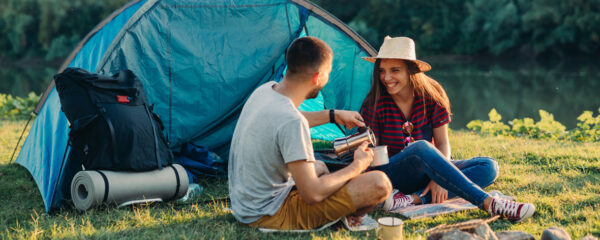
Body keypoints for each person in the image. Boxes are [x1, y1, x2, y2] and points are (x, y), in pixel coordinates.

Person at [359, 36, 535, 222]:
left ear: (411, 71)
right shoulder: (375, 103)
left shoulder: (432, 96)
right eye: (382, 71)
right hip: (391, 175)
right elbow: (373, 158)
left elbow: (443, 143)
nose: (386, 78)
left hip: (426, 172)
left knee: (488, 167)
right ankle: (490, 203)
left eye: (395, 70)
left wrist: (438, 180)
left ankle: (413, 199)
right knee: (421, 148)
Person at [228, 36, 393, 230]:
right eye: (328, 73)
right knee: (380, 184)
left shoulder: (265, 91)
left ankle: (339, 211)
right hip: (268, 215)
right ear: (317, 77)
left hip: (245, 204)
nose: (327, 78)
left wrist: (333, 115)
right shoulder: (291, 122)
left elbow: (287, 120)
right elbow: (312, 194)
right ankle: (347, 218)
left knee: (321, 166)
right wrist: (358, 165)